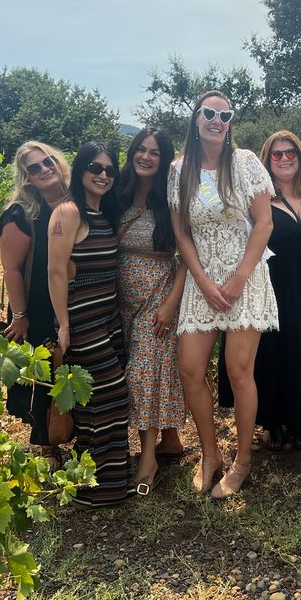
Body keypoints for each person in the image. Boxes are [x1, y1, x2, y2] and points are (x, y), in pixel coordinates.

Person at [169, 90, 278, 498]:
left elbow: (264, 224)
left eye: (225, 114)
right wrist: (201, 279)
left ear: (230, 122)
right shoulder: (179, 170)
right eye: (209, 113)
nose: (217, 120)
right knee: (190, 369)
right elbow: (182, 232)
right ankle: (210, 454)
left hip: (244, 278)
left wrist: (236, 281)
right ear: (196, 120)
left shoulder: (245, 163)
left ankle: (243, 461)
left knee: (238, 371)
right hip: (202, 282)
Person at [219, 131, 301, 449]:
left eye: (291, 152)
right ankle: (271, 422)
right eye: (277, 154)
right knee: (272, 355)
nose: (285, 158)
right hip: (271, 285)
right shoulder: (258, 196)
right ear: (267, 160)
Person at [47, 142, 131, 506]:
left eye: (110, 170)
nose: (103, 175)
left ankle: (110, 481)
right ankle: (92, 488)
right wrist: (63, 325)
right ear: (80, 170)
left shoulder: (102, 212)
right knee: (106, 398)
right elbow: (54, 271)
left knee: (102, 400)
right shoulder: (68, 211)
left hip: (107, 317)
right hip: (82, 320)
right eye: (95, 168)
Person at [115, 127, 187, 496]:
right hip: (120, 302)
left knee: (145, 371)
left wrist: (172, 303)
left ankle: (147, 458)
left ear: (164, 159)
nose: (146, 157)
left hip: (159, 299)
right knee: (154, 368)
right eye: (140, 149)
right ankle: (171, 440)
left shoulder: (172, 198)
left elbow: (189, 254)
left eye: (154, 152)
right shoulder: (117, 191)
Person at [0, 141, 71, 471]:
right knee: (44, 375)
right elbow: (12, 269)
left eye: (47, 161)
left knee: (73, 371)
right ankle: (47, 445)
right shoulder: (23, 214)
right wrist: (20, 315)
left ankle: (77, 432)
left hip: (75, 301)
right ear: (26, 178)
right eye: (34, 168)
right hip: (37, 309)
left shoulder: (75, 200)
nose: (44, 169)